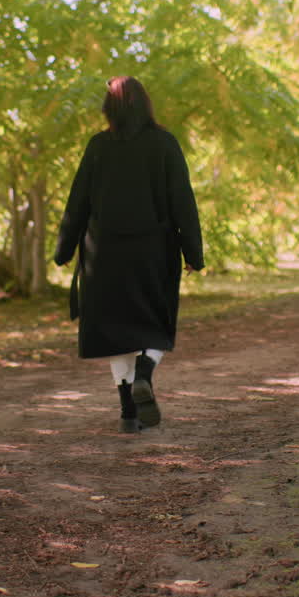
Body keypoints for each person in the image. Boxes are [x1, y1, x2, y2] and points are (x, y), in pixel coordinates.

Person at [53, 76, 204, 434]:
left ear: (109, 108)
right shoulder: (164, 144)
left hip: (103, 255)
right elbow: (182, 201)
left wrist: (64, 249)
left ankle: (128, 414)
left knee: (115, 331)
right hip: (153, 254)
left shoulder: (98, 146)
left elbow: (78, 201)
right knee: (156, 324)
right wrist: (193, 253)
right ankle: (144, 375)